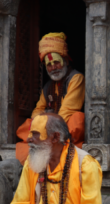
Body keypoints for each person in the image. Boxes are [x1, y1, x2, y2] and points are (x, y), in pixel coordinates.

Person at [16, 32, 86, 165]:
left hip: (64, 128)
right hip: (48, 129)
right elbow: (37, 110)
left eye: (56, 62)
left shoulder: (76, 78)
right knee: (26, 126)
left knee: (77, 119)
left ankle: (55, 143)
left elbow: (68, 109)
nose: (53, 67)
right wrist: (40, 123)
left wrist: (47, 127)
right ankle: (43, 142)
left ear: (65, 61)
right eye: (49, 65)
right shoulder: (48, 86)